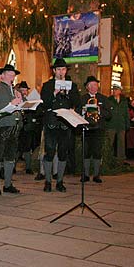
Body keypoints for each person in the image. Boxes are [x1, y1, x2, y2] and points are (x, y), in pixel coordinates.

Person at [40, 58, 80, 192]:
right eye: (58, 69)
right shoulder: (47, 85)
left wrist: (68, 94)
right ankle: (47, 181)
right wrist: (54, 93)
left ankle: (60, 181)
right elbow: (44, 103)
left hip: (65, 123)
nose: (61, 72)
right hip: (52, 121)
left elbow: (77, 102)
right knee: (50, 151)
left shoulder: (72, 85)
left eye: (63, 69)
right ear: (54, 71)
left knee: (63, 152)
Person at [0, 64, 23, 195]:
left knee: (10, 156)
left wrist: (21, 102)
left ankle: (8, 184)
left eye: (13, 75)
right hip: (1, 126)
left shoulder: (14, 90)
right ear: (2, 75)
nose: (12, 77)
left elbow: (18, 106)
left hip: (14, 125)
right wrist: (10, 104)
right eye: (10, 74)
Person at [79, 76, 111, 183]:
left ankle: (97, 175)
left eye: (95, 85)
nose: (93, 87)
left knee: (97, 152)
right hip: (87, 128)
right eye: (91, 85)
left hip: (98, 128)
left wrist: (99, 110)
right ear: (87, 87)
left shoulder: (103, 98)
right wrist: (83, 111)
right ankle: (86, 174)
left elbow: (109, 115)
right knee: (86, 152)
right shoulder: (82, 99)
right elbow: (78, 113)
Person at [16, 81, 42, 175]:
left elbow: (38, 112)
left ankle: (28, 167)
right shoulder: (17, 99)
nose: (23, 92)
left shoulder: (30, 99)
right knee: (18, 147)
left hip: (29, 126)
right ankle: (15, 167)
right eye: (22, 90)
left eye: (25, 90)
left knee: (27, 147)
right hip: (20, 126)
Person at [106, 85, 130, 161]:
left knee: (121, 142)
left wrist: (127, 124)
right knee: (110, 142)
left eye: (116, 90)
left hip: (121, 124)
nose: (114, 91)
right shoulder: (109, 100)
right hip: (111, 124)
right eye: (113, 90)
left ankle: (121, 159)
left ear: (120, 91)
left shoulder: (124, 101)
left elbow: (126, 113)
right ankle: (108, 157)